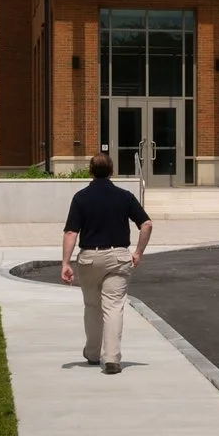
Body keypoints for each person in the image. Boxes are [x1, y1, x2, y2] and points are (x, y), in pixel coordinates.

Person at [60, 153, 153, 373]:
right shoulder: (125, 196)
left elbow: (71, 232)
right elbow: (146, 224)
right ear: (111, 171)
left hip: (90, 258)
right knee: (113, 307)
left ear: (90, 171)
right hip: (119, 257)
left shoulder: (81, 198)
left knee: (92, 306)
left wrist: (65, 262)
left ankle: (92, 353)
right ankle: (111, 358)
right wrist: (138, 252)